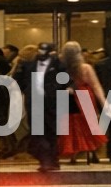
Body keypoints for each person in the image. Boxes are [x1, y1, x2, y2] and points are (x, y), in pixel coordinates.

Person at [17, 42, 71, 173]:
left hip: (52, 104)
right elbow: (19, 80)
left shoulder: (59, 66)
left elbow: (66, 81)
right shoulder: (28, 65)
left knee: (52, 132)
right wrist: (28, 91)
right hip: (34, 103)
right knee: (38, 132)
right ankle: (45, 160)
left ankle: (52, 159)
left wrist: (54, 91)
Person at [57, 41, 108, 164]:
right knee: (89, 125)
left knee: (71, 125)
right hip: (85, 96)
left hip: (66, 97)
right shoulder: (85, 68)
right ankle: (93, 152)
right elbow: (96, 86)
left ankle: (73, 154)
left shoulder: (60, 67)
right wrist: (104, 102)